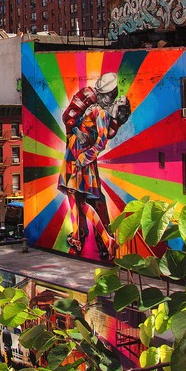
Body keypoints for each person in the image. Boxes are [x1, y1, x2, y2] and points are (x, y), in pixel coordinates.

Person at [57, 73, 131, 260]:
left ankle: (102, 240)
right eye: (107, 96)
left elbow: (104, 139)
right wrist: (76, 132)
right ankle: (82, 237)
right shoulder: (90, 99)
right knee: (76, 198)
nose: (108, 99)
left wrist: (85, 156)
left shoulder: (103, 113)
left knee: (84, 200)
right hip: (75, 152)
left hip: (80, 157)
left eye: (111, 97)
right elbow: (69, 117)